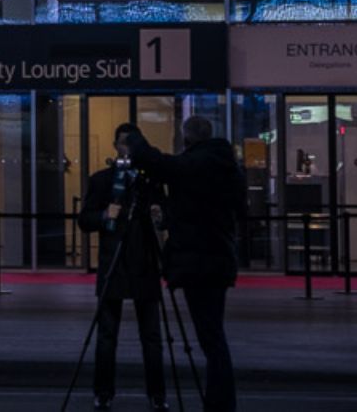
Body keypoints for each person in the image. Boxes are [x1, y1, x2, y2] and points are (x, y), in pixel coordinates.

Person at [126, 116, 246, 412]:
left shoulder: (197, 165)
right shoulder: (227, 166)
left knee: (211, 337)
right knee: (213, 333)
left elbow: (161, 164)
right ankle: (220, 402)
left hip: (199, 260)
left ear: (187, 139)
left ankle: (220, 404)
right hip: (218, 258)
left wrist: (134, 139)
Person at [77, 124, 168, 412]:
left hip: (144, 264)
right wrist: (105, 216)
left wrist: (159, 216)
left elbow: (166, 217)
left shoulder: (149, 182)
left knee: (151, 336)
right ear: (115, 145)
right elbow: (85, 220)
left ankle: (157, 394)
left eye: (132, 144)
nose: (127, 149)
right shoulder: (103, 181)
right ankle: (103, 392)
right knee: (107, 336)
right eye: (123, 143)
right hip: (114, 263)